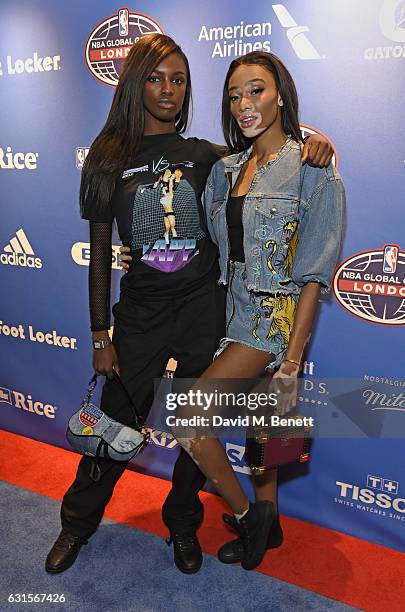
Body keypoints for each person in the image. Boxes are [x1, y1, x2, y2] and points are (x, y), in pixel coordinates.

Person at [45, 34, 333, 576]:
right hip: (140, 318)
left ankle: (182, 526)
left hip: (206, 309)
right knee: (112, 429)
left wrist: (317, 142)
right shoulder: (107, 161)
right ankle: (76, 525)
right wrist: (100, 333)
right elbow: (104, 256)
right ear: (134, 84)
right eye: (155, 78)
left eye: (178, 80)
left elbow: (267, 158)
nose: (168, 90)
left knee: (194, 436)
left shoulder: (207, 156)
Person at [161, 50, 345, 571]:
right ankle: (270, 524)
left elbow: (314, 274)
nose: (245, 104)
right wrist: (144, 252)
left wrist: (291, 361)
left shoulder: (313, 169)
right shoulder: (227, 169)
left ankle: (248, 518)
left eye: (257, 90)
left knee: (190, 418)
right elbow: (203, 241)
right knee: (264, 433)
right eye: (235, 95)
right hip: (231, 310)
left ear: (280, 93)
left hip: (274, 322)